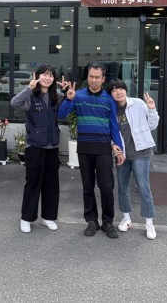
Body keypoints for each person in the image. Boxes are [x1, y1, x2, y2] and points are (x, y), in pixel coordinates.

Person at [58, 62, 125, 239]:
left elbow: (114, 126)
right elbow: (61, 115)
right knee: (88, 187)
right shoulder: (77, 95)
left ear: (103, 79)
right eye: (91, 77)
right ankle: (92, 221)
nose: (93, 80)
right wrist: (68, 99)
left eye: (97, 77)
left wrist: (119, 148)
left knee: (106, 187)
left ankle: (108, 222)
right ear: (87, 77)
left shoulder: (109, 99)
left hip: (103, 148)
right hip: (85, 148)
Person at [10, 64, 67, 233]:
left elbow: (66, 109)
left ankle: (48, 217)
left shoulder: (57, 97)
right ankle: (26, 218)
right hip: (34, 146)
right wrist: (29, 88)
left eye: (51, 75)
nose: (47, 78)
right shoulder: (30, 96)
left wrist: (68, 93)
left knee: (51, 184)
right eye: (44, 74)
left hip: (52, 146)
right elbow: (14, 103)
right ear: (37, 76)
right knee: (33, 183)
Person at [107, 79, 160, 240]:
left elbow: (153, 125)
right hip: (122, 154)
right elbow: (109, 131)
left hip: (141, 152)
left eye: (121, 89)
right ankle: (126, 218)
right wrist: (113, 146)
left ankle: (149, 223)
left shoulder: (137, 103)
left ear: (125, 90)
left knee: (144, 188)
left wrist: (152, 109)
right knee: (122, 187)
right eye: (114, 90)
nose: (118, 92)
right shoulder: (111, 109)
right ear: (110, 94)